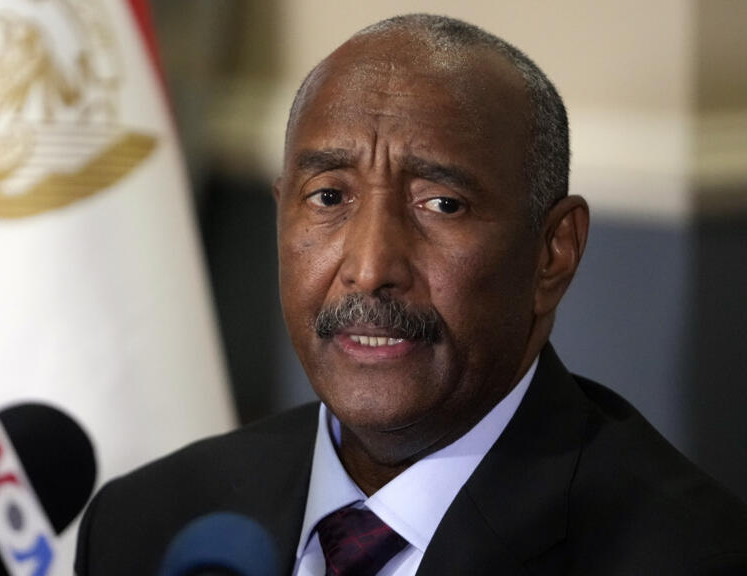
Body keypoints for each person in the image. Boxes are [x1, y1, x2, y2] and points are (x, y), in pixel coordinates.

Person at [75, 14, 747, 575]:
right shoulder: (147, 526)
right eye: (328, 197)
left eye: (441, 204)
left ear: (553, 253)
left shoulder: (692, 556)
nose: (370, 268)